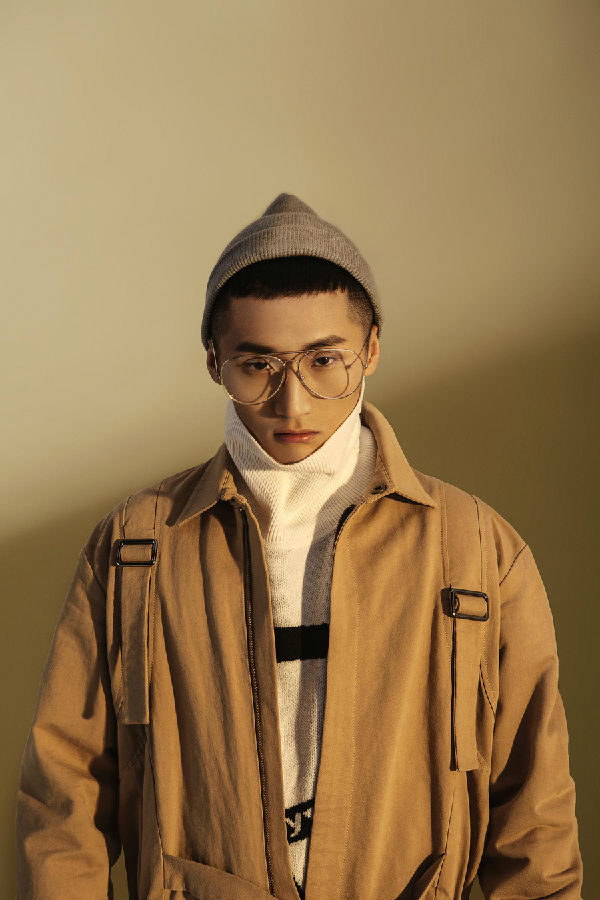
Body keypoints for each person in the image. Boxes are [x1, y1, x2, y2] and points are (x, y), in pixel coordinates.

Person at [15, 193, 583, 900]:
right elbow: (64, 800)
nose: (294, 402)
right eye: (258, 365)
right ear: (214, 360)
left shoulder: (477, 548)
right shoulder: (136, 544)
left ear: (371, 349)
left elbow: (534, 818)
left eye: (325, 360)